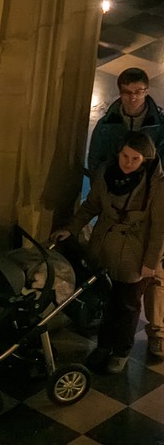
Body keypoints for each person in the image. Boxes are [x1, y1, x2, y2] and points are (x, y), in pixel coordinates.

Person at [59, 132, 164, 370]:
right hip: (105, 247)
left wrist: (150, 263)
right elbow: (91, 206)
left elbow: (159, 230)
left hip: (134, 254)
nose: (127, 162)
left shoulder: (157, 186)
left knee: (126, 305)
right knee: (106, 301)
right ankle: (103, 346)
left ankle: (121, 351)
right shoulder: (107, 173)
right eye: (124, 156)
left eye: (134, 158)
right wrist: (71, 228)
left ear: (145, 159)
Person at [86, 69, 164, 359]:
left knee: (154, 272)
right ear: (119, 92)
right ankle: (108, 335)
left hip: (150, 205)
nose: (133, 98)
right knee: (114, 282)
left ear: (146, 91)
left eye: (139, 91)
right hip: (118, 205)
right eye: (128, 92)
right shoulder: (107, 124)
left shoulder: (159, 122)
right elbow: (96, 163)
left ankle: (157, 331)